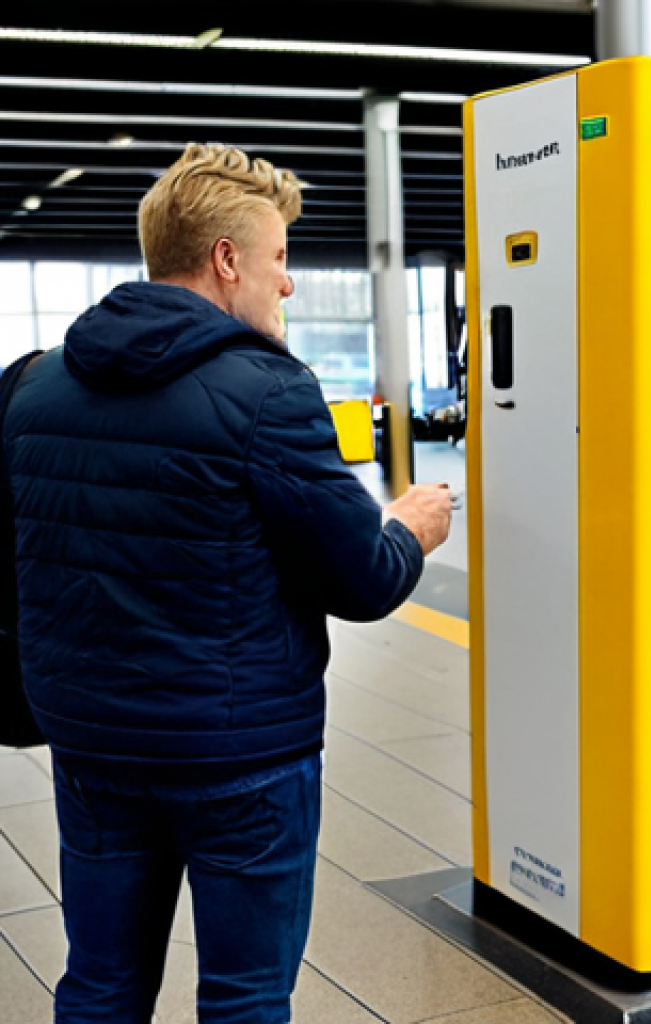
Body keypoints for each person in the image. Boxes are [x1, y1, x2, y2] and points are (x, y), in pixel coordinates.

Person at [4, 143, 452, 1023]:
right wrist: (411, 527)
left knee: (100, 983)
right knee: (246, 998)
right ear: (226, 259)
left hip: (91, 749)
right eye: (280, 258)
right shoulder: (267, 392)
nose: (287, 284)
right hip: (239, 760)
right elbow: (361, 579)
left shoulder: (34, 384)